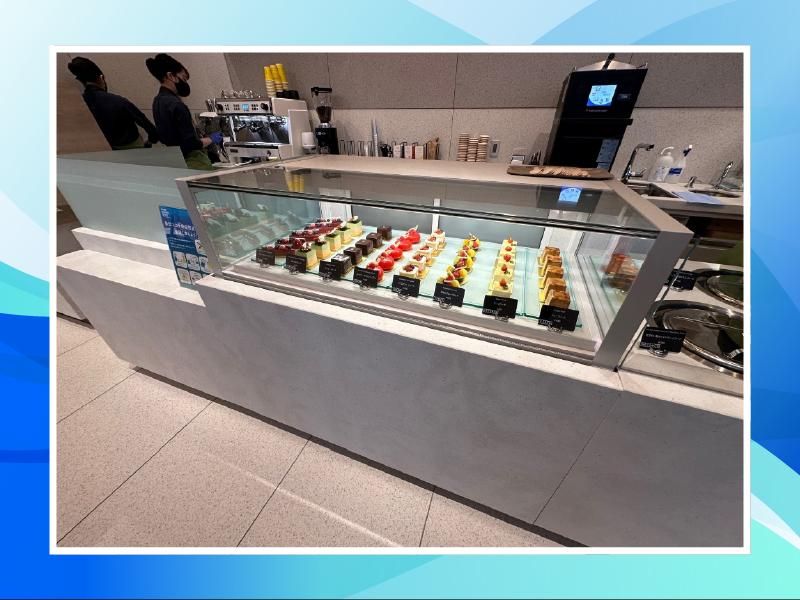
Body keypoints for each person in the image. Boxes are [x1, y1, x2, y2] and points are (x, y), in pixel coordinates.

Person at [145, 53, 222, 170]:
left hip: (176, 161)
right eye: (184, 78)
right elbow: (190, 143)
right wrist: (211, 139)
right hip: (194, 162)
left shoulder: (157, 101)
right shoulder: (176, 105)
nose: (185, 83)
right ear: (171, 76)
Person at [67, 56, 159, 150]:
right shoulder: (118, 101)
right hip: (133, 148)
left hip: (102, 150)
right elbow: (149, 127)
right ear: (101, 77)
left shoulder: (81, 105)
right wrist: (150, 141)